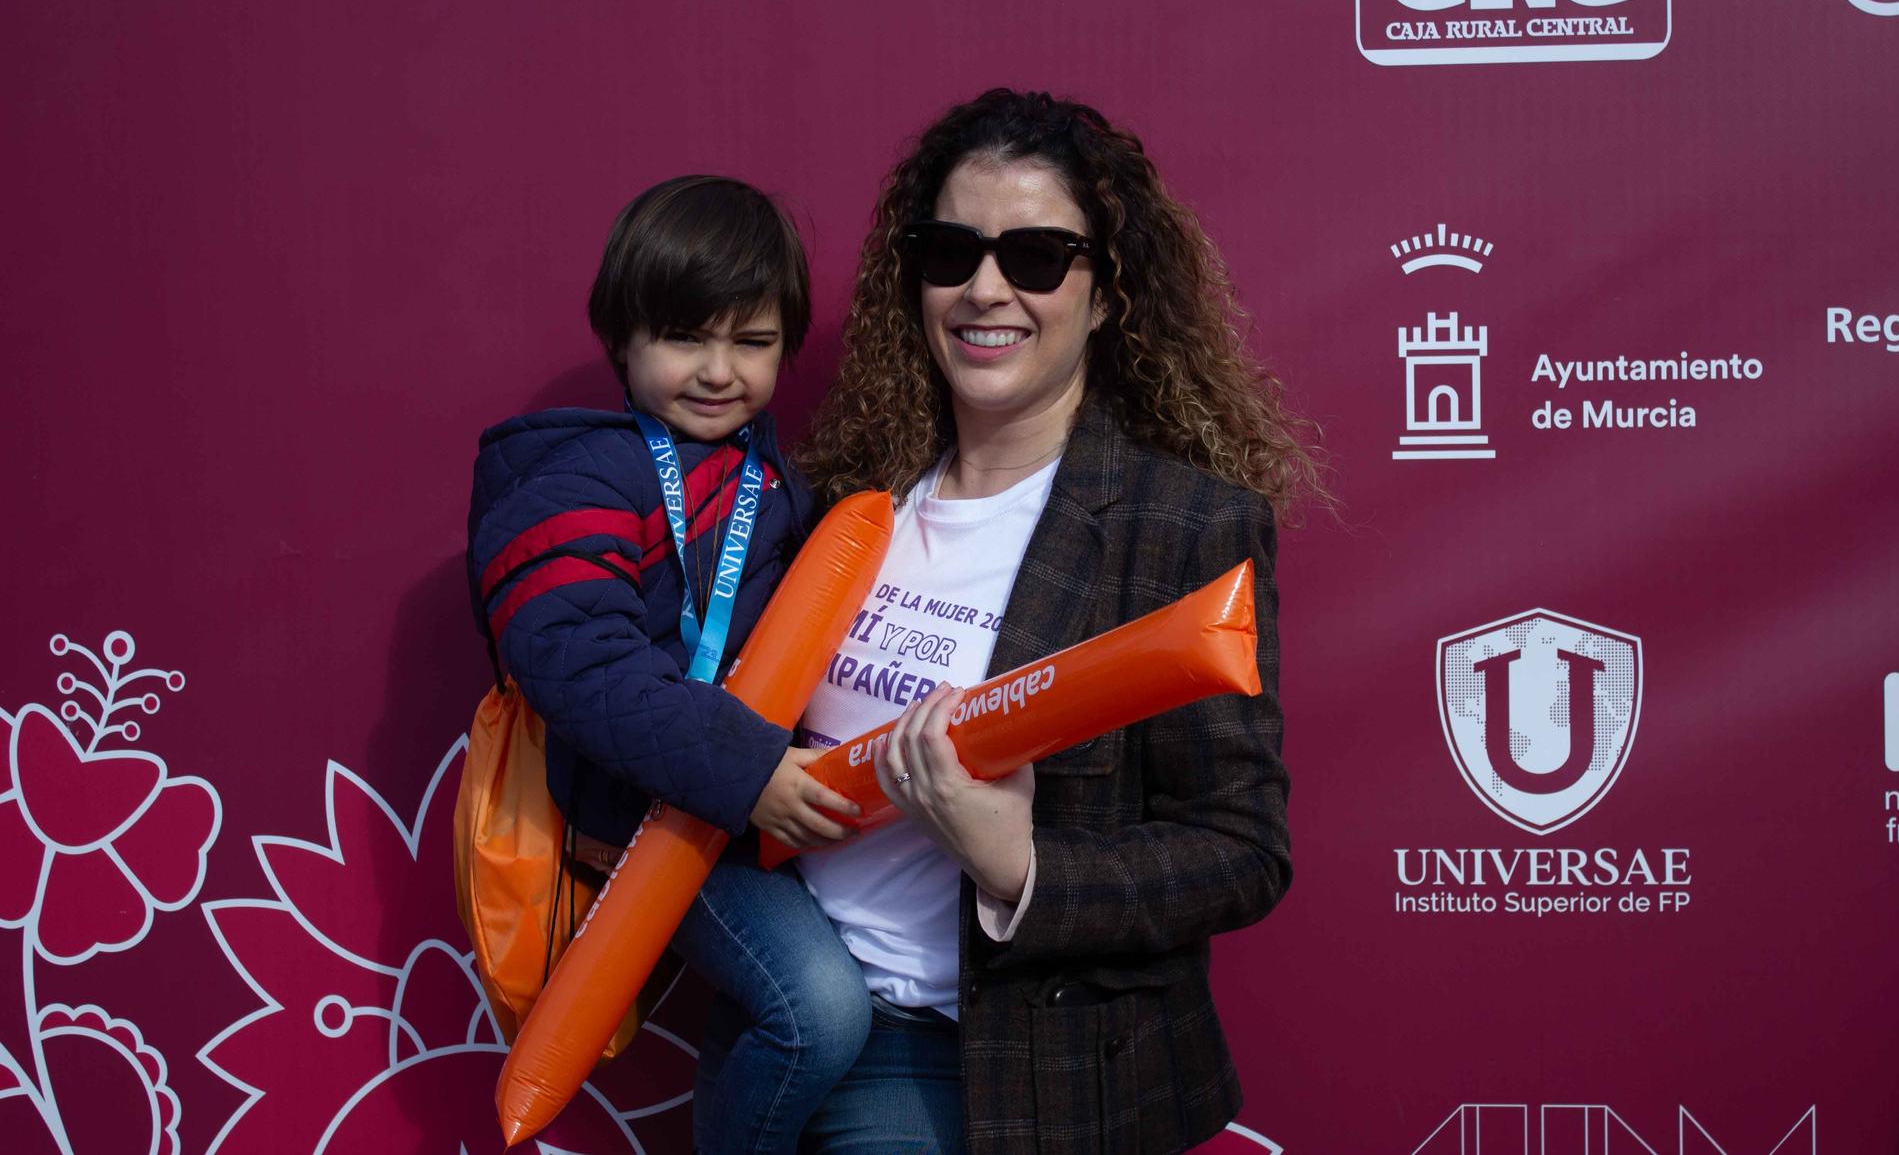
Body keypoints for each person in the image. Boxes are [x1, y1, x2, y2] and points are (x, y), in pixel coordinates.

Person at [790, 89, 1321, 1153]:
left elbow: (1239, 848)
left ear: (1106, 289)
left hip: (1004, 1068)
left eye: (1035, 256)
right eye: (950, 250)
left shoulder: (1181, 526)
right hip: (791, 1020)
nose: (986, 288)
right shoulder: (845, 500)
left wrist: (1021, 869)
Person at [466, 175, 872, 1154]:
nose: (718, 370)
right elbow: (576, 659)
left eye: (753, 341)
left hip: (733, 814)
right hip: (645, 819)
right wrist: (745, 771)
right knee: (819, 1009)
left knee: (780, 1014)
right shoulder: (579, 475)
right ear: (623, 335)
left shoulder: (774, 484)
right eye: (687, 336)